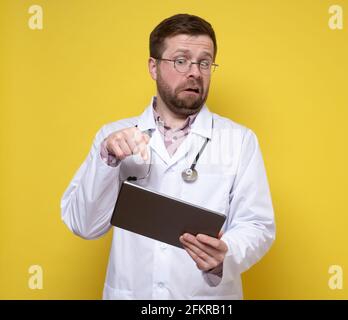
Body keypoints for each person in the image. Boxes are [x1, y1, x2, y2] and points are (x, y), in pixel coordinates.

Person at [61, 13, 275, 300]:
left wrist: (228, 252)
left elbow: (258, 225)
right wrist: (108, 161)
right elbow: (84, 225)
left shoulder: (240, 140)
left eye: (204, 62)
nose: (195, 72)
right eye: (181, 60)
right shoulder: (112, 137)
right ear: (153, 67)